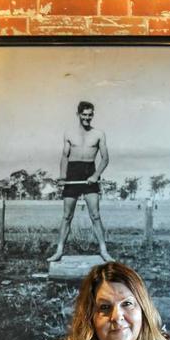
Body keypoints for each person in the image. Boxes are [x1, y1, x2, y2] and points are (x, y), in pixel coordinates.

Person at [51, 262, 170, 340]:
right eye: (104, 307)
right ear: (90, 317)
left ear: (143, 310)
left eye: (127, 304)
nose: (117, 317)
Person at [47, 101, 113, 262]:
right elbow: (64, 157)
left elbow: (105, 158)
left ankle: (104, 251)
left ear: (93, 115)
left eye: (90, 115)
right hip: (73, 173)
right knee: (67, 216)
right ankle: (59, 251)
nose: (87, 118)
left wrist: (96, 175)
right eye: (84, 114)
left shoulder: (99, 134)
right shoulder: (69, 133)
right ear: (78, 114)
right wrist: (63, 177)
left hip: (90, 172)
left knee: (95, 215)